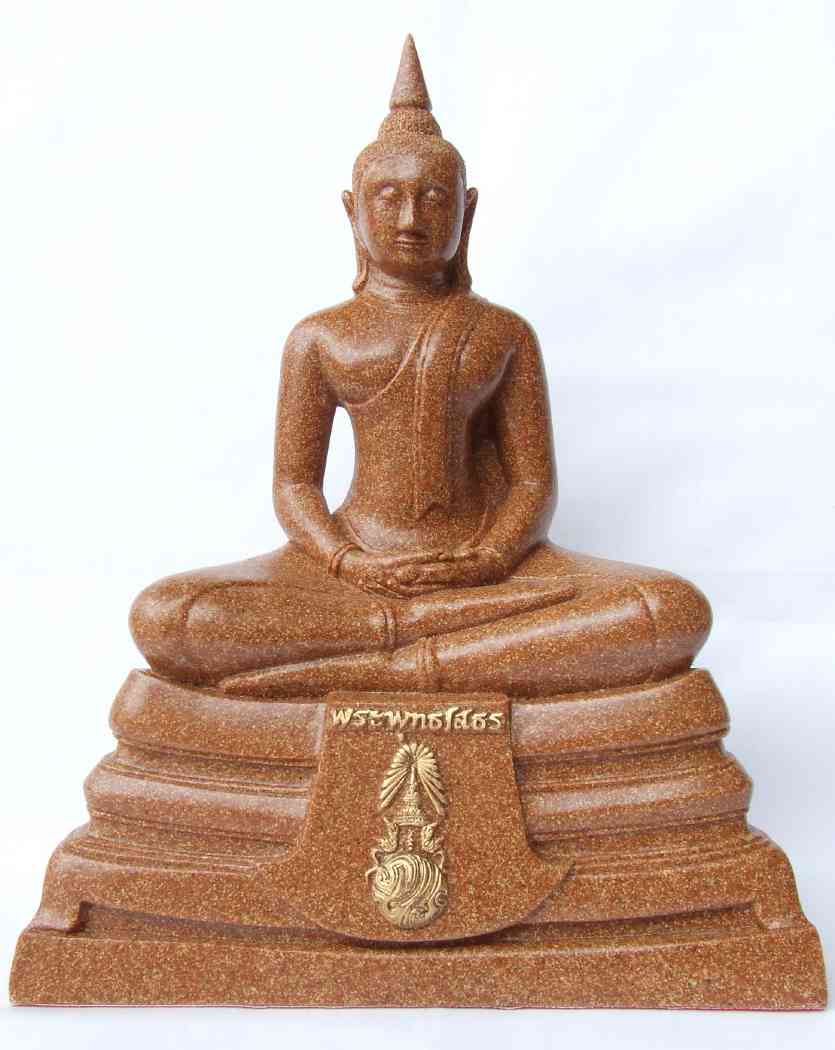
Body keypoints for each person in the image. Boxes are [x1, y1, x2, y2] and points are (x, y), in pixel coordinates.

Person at [130, 37, 710, 699]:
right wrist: (346, 560)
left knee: (668, 610)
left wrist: (488, 558)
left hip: (487, 572)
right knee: (168, 616)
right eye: (388, 197)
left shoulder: (502, 333)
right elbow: (294, 486)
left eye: (434, 199)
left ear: (468, 210)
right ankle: (423, 641)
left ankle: (392, 665)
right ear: (352, 211)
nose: (411, 218)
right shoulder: (319, 338)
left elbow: (532, 485)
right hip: (352, 571)